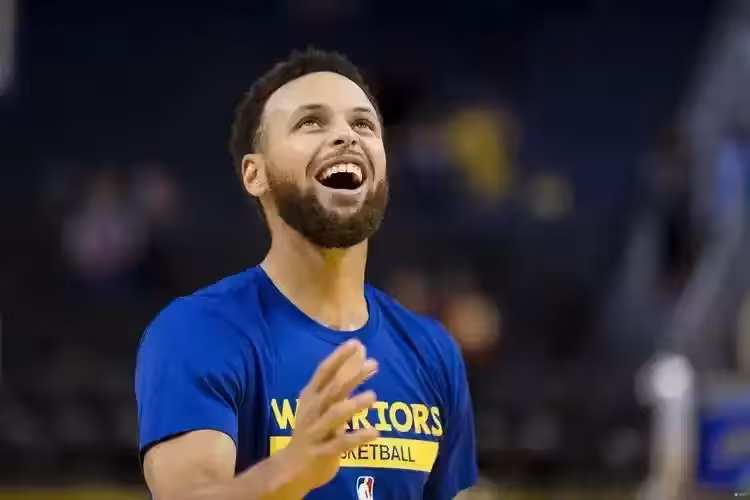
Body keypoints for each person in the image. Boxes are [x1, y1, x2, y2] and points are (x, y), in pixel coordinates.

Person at [135, 48, 477, 500]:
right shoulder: (198, 331)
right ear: (255, 174)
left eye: (363, 125)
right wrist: (292, 469)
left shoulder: (433, 351)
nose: (346, 137)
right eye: (311, 122)